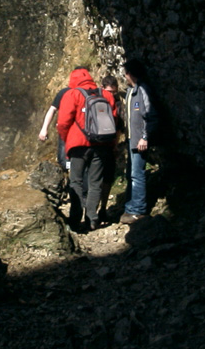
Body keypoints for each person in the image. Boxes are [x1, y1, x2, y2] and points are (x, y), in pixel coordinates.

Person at [57, 67, 118, 232]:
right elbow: (114, 119)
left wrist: (66, 139)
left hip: (78, 146)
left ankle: (75, 219)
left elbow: (63, 122)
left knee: (76, 181)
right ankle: (92, 218)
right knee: (95, 182)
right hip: (102, 145)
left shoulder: (72, 94)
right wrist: (111, 144)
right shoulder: (106, 95)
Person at [119, 59, 160, 225]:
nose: (124, 76)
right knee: (131, 174)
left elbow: (151, 115)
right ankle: (131, 206)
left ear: (129, 73)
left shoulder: (142, 90)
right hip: (132, 140)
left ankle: (138, 210)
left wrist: (145, 137)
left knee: (137, 174)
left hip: (140, 141)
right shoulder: (131, 92)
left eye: (125, 73)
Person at [99, 74, 123, 222]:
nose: (112, 95)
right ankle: (94, 211)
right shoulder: (97, 101)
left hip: (108, 146)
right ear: (102, 89)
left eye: (114, 92)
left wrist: (115, 146)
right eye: (110, 92)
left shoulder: (118, 103)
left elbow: (119, 127)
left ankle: (101, 209)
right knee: (98, 179)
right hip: (99, 146)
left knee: (107, 179)